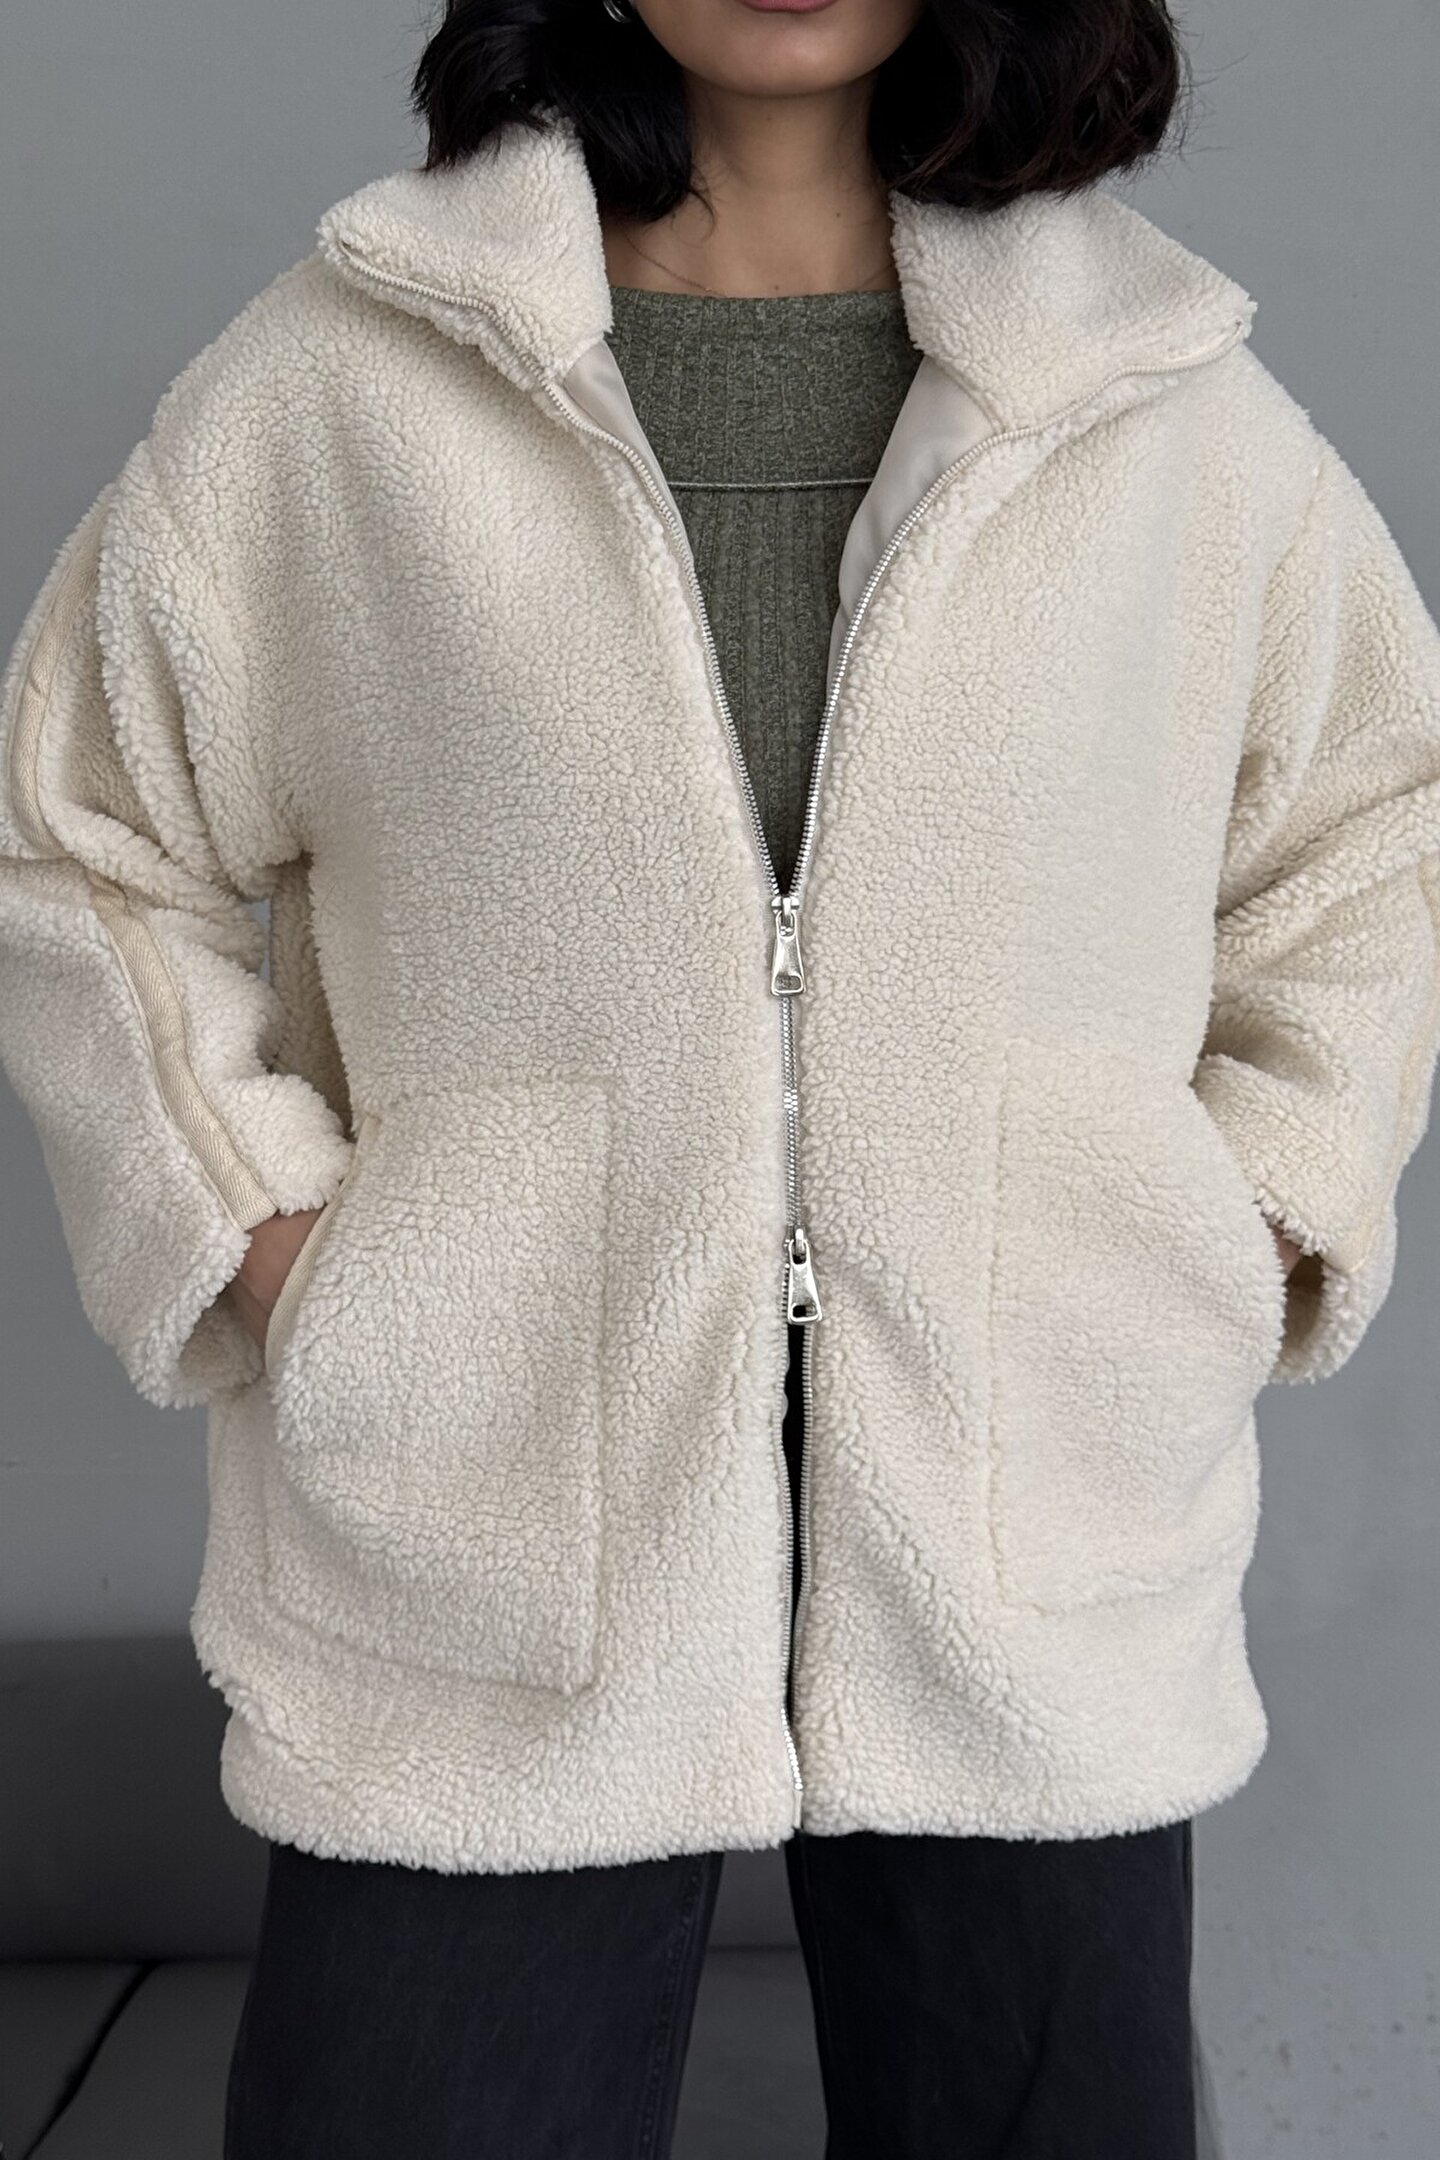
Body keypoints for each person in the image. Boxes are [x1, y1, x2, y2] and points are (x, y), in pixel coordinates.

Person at [2, 1, 1438, 2153]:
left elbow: (1372, 829)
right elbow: (87, 832)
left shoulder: (1156, 403)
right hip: (491, 1509)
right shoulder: (345, 385)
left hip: (1028, 1507)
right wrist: (283, 1242)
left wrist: (1215, 1231)